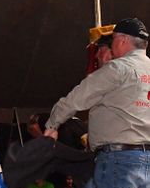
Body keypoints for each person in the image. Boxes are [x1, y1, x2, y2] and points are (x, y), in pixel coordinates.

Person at [44, 18, 150, 187]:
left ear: (123, 40)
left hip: (119, 161)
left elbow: (76, 99)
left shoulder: (118, 68)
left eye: (113, 39)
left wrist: (52, 125)